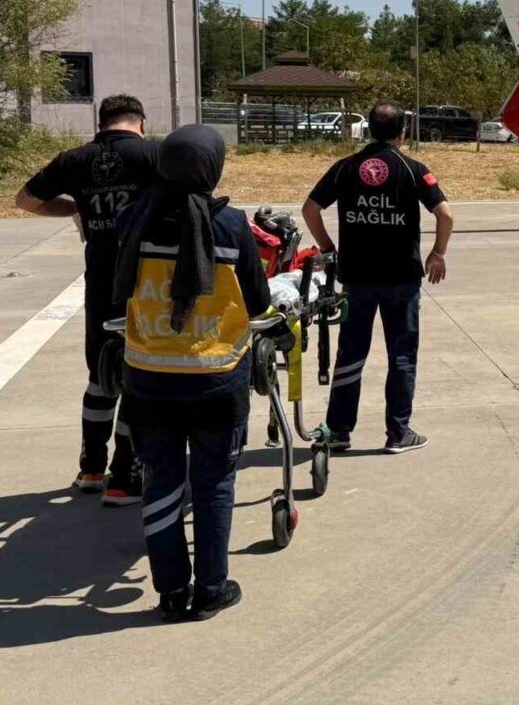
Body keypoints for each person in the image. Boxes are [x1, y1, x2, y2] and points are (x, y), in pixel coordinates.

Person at [113, 125, 271, 622]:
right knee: (213, 484)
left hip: (148, 380)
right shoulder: (232, 226)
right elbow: (260, 300)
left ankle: (171, 593)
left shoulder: (131, 221)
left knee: (161, 481)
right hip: (216, 379)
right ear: (211, 168)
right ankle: (211, 589)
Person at [16, 94, 160, 505]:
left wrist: (75, 208)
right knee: (138, 375)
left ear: (102, 123)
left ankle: (91, 467)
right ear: (140, 122)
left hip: (100, 280)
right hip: (144, 281)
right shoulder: (153, 155)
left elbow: (25, 200)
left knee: (101, 374)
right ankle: (124, 476)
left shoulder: (74, 160)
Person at [302, 101, 453, 454]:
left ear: (369, 129)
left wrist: (329, 247)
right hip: (401, 279)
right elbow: (445, 214)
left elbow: (310, 209)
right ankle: (398, 432)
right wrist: (438, 253)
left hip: (357, 278)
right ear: (403, 132)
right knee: (401, 354)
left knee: (351, 353)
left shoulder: (344, 168)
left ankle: (339, 429)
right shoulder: (413, 168)